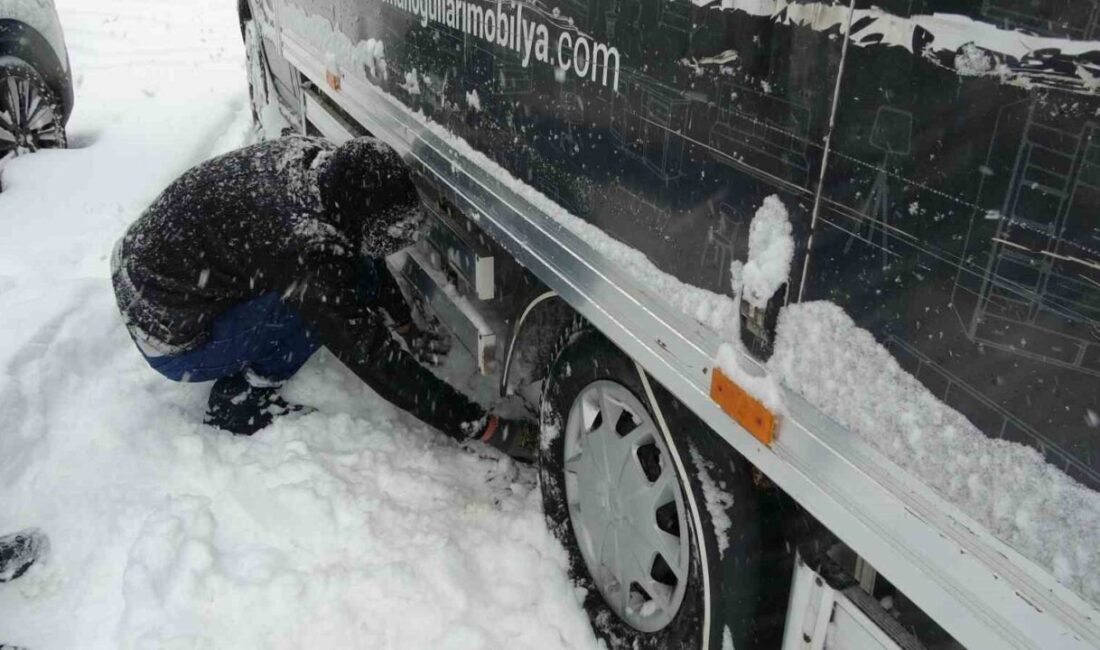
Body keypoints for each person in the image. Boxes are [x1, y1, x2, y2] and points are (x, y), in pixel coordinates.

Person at [111, 135, 533, 459]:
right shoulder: (303, 249)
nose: (390, 244)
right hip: (167, 335)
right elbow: (374, 359)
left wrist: (403, 322)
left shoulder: (322, 164)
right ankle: (239, 401)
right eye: (387, 235)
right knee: (317, 306)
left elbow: (360, 250)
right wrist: (488, 428)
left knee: (346, 276)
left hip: (148, 266)